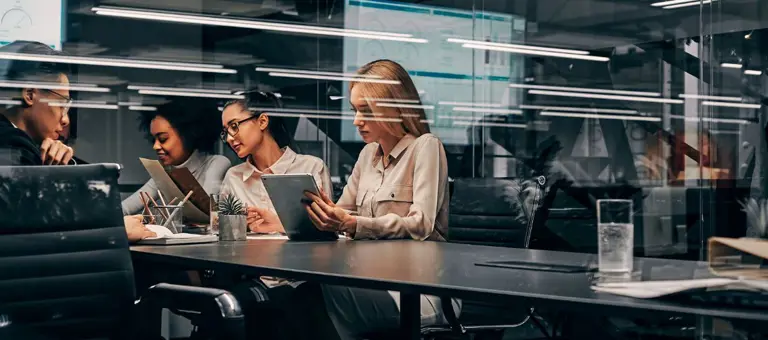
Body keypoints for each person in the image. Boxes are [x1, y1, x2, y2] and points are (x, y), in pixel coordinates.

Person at [302, 59, 458, 339]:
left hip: (418, 291)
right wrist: (322, 214)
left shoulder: (426, 147)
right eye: (354, 110)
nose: (356, 121)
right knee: (298, 294)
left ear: (394, 107)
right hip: (371, 280)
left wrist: (354, 224)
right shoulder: (367, 155)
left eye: (366, 110)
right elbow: (342, 212)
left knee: (311, 296)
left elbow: (421, 224)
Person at [0, 40, 154, 243]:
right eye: (62, 105)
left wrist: (59, 168)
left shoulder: (22, 146)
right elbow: (36, 231)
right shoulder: (12, 146)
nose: (65, 120)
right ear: (30, 95)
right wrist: (115, 229)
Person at [219, 91, 331, 233]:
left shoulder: (311, 167)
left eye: (234, 126)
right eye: (225, 131)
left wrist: (280, 225)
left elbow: (328, 229)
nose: (229, 138)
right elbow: (221, 230)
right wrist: (240, 225)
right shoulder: (233, 177)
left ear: (262, 121)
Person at [121, 97, 231, 215]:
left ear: (188, 136)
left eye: (163, 139)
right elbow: (125, 208)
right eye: (154, 140)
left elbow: (207, 209)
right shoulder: (164, 173)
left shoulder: (217, 163)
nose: (155, 146)